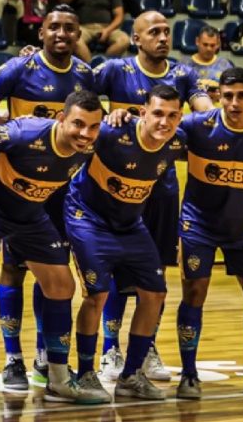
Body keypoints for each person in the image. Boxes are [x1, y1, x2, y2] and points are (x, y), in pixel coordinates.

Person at [0, 91, 106, 410]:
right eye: (78, 124)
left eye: (93, 127)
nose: (85, 133)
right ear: (61, 118)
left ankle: (57, 379)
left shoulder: (93, 143)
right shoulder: (25, 131)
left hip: (30, 214)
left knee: (62, 286)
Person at [91, 11, 213, 380]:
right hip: (118, 188)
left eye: (167, 31)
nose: (163, 37)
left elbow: (204, 111)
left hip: (161, 189)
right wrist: (105, 116)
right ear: (136, 38)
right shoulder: (115, 70)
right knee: (115, 271)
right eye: (154, 32)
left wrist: (216, 117)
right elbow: (76, 92)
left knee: (155, 272)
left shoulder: (184, 74)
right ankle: (111, 348)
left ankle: (147, 348)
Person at [0, 6, 94, 389]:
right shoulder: (19, 68)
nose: (61, 33)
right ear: (40, 32)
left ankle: (46, 355)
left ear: (78, 34)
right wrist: (10, 127)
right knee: (12, 269)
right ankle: (13, 359)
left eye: (69, 28)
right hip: (18, 183)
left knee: (55, 270)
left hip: (61, 189)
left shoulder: (83, 74)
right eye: (54, 27)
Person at [65, 85, 186, 402]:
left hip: (130, 224)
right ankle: (85, 373)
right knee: (97, 294)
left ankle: (131, 376)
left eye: (172, 115)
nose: (164, 121)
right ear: (143, 111)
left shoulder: (178, 141)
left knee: (156, 293)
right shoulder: (110, 132)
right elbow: (72, 133)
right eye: (157, 113)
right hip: (88, 219)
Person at [173, 67, 243, 399]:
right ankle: (189, 374)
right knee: (194, 295)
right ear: (218, 95)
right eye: (227, 95)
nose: (233, 102)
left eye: (242, 96)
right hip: (199, 226)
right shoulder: (196, 126)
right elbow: (154, 132)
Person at [184, 26, 233, 103]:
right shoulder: (184, 65)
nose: (209, 49)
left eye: (212, 45)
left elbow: (232, 91)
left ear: (218, 44)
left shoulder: (226, 66)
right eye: (205, 45)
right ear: (197, 41)